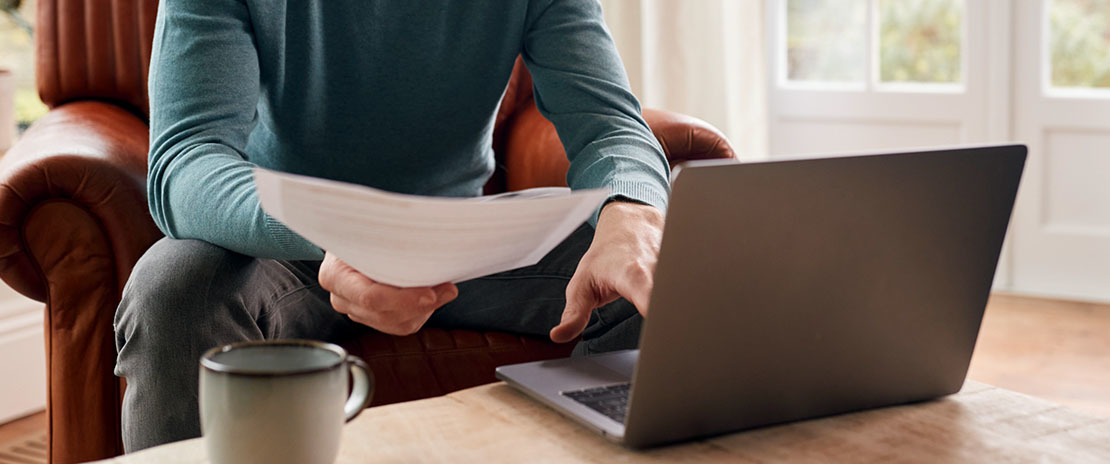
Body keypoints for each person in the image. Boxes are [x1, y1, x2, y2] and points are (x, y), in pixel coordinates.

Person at [113, 0, 670, 452]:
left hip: (466, 238)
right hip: (287, 244)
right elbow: (187, 158)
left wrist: (632, 210)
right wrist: (344, 235)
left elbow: (608, 124)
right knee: (172, 290)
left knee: (656, 276)